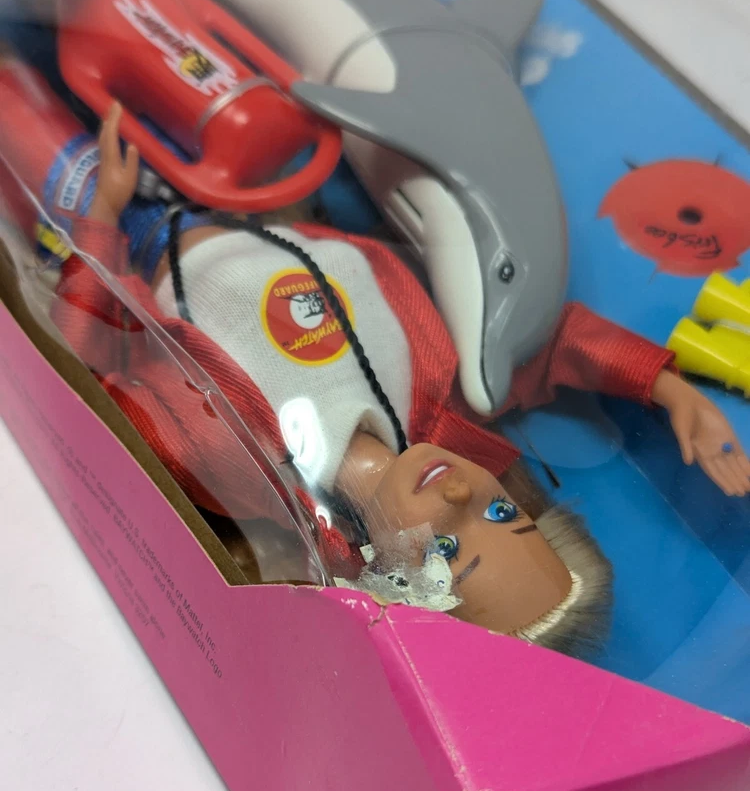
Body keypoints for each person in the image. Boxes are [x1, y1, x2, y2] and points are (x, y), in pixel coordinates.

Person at [48, 105, 750, 655]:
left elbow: (79, 373)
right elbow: (541, 340)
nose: (462, 495)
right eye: (501, 513)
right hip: (256, 175)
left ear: (395, 584)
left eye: (446, 551)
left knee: (28, 120)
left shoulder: (235, 464)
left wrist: (99, 224)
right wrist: (669, 389)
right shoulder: (439, 387)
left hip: (119, 219)